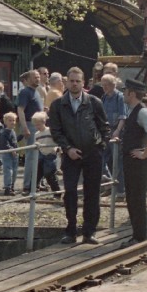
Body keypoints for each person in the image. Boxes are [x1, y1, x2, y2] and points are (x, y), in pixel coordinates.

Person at [49, 66, 111, 244]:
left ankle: (89, 231)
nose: (74, 84)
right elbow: (56, 131)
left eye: (78, 81)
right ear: (66, 82)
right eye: (71, 81)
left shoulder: (94, 102)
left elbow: (105, 127)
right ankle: (70, 230)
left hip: (92, 154)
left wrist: (100, 146)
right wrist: (68, 148)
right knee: (70, 192)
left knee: (92, 193)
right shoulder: (58, 105)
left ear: (83, 83)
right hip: (70, 155)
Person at [119, 78, 147, 247]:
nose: (123, 94)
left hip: (138, 162)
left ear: (132, 93)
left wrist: (145, 154)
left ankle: (139, 235)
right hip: (131, 160)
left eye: (125, 91)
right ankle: (136, 233)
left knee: (137, 198)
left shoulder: (142, 112)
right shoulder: (132, 110)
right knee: (132, 197)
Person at [100, 74, 127, 196]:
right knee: (103, 158)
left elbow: (123, 116)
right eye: (103, 85)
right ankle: (108, 183)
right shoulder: (104, 98)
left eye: (107, 85)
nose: (104, 87)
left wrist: (117, 131)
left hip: (116, 131)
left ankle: (120, 191)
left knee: (117, 161)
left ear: (113, 85)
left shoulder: (120, 97)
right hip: (106, 131)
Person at [27, 111, 62, 197]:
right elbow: (36, 144)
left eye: (38, 124)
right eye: (35, 125)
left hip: (50, 154)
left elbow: (57, 140)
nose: (37, 127)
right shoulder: (36, 134)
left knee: (49, 174)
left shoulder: (50, 131)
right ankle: (31, 191)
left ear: (44, 122)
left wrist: (58, 148)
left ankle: (57, 193)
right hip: (41, 154)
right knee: (37, 173)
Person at [14, 70, 43, 145]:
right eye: (35, 77)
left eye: (38, 77)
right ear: (28, 80)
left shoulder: (36, 91)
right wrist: (25, 128)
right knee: (32, 152)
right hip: (30, 125)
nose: (37, 79)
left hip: (38, 125)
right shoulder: (25, 92)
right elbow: (20, 110)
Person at [0, 111, 20, 196]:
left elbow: (14, 141)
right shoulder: (5, 132)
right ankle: (7, 187)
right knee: (8, 170)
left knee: (15, 171)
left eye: (14, 120)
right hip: (7, 153)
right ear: (5, 122)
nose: (12, 122)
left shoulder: (13, 131)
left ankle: (12, 186)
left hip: (15, 153)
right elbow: (4, 143)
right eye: (10, 120)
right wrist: (11, 149)